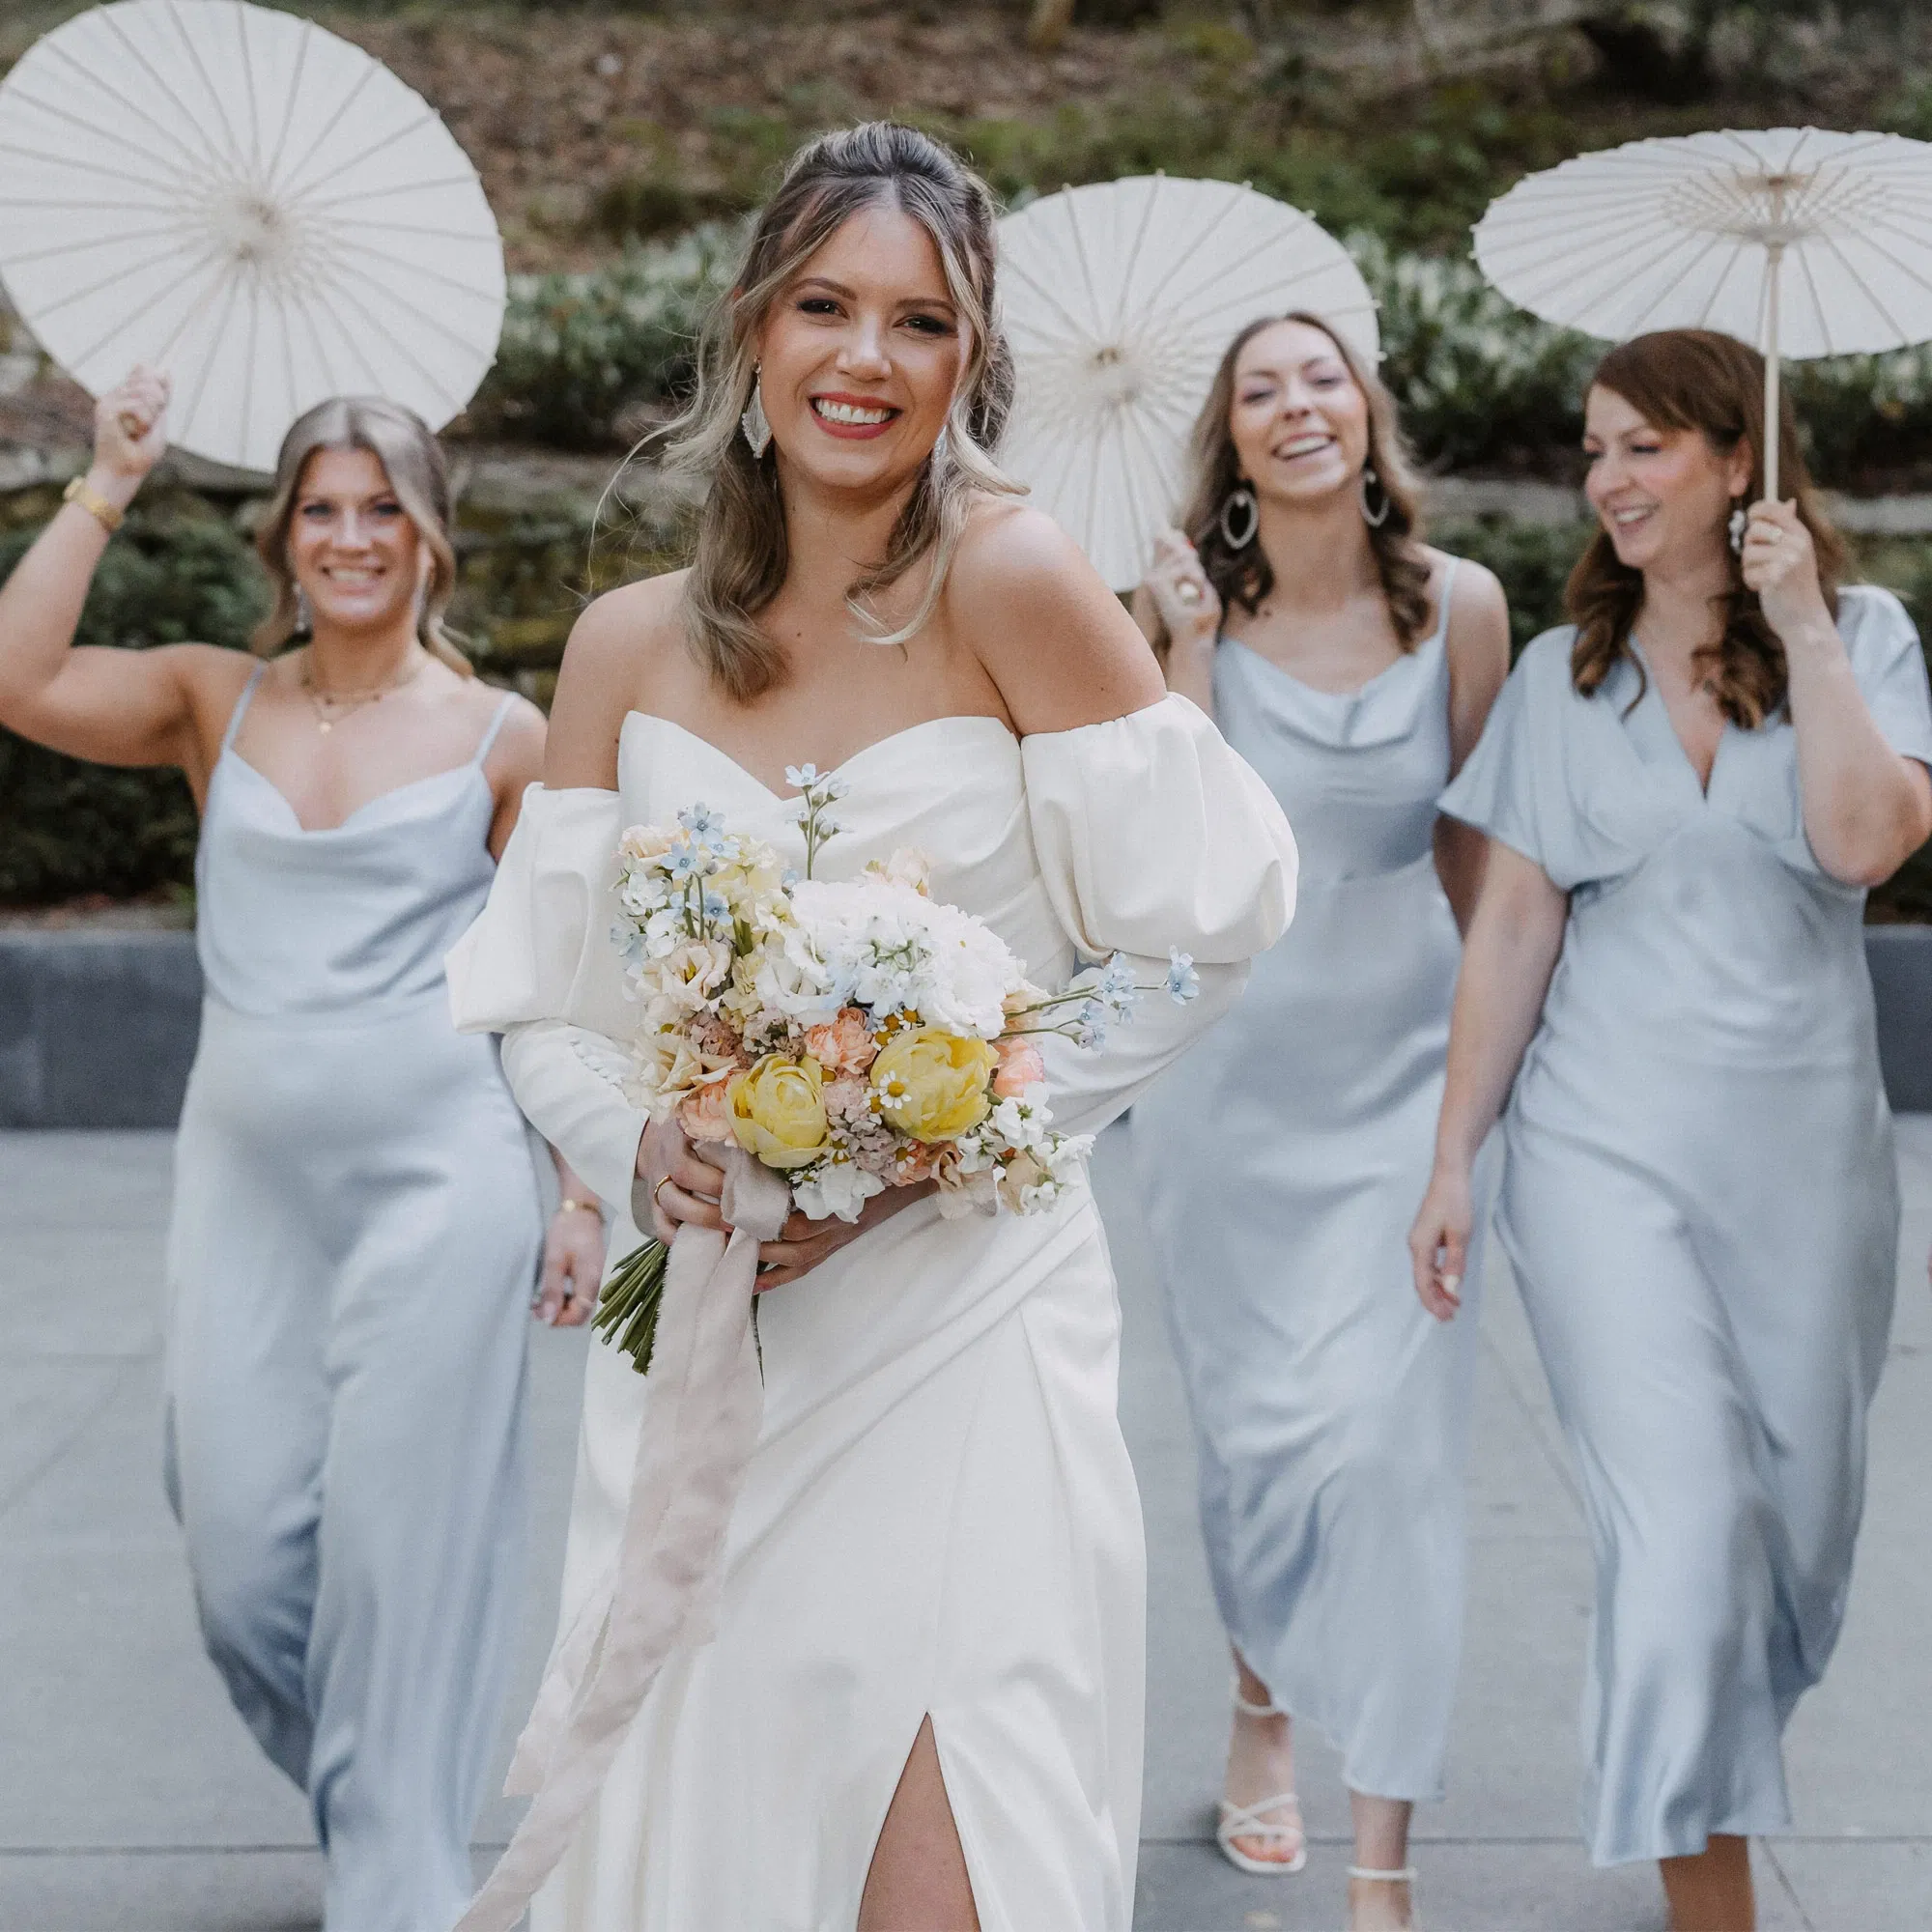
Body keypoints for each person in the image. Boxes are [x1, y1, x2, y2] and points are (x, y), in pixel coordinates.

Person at [445, 122, 1298, 1932]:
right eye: (826, 306)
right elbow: (545, 1012)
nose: (865, 359)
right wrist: (642, 1151)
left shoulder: (1017, 585)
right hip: (718, 1341)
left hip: (970, 1320)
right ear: (754, 330)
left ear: (970, 360)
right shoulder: (622, 648)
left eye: (919, 323)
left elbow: (1199, 936)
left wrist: (958, 1132)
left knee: (951, 1865)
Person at [0, 378, 609, 1932]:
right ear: (285, 534)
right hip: (247, 1191)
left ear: (429, 536)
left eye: (381, 506)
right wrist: (109, 481)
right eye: (323, 508)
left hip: (442, 1184)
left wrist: (585, 1189)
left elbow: (560, 973)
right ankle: (379, 1814)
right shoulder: (221, 700)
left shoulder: (505, 737)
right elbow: (17, 676)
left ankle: (395, 1885)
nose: (351, 537)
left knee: (405, 1574)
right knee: (241, 1555)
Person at [1408, 328, 1932, 1932]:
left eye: (1643, 446)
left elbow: (1866, 846)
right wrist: (1453, 1159)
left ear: (1734, 460)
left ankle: (1706, 1754)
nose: (1607, 480)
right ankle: (1713, 1900)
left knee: (1795, 1532)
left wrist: (1800, 632)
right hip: (1598, 1158)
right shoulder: (1577, 672)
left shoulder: (1863, 633)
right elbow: (1509, 934)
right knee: (1682, 1534)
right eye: (1594, 450)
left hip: (1805, 1168)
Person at [1129, 311, 1509, 1931]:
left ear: (1366, 411)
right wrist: (1188, 652)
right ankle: (1261, 1710)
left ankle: (1384, 1846)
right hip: (1232, 1087)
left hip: (1407, 1071)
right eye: (1260, 390)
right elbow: (1178, 861)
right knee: (1261, 1443)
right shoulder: (1181, 620)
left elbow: (1491, 866)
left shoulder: (1464, 609)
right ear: (1231, 441)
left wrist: (1482, 1107)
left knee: (1392, 1449)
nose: (1298, 406)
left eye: (1322, 377)